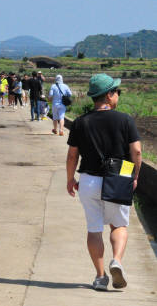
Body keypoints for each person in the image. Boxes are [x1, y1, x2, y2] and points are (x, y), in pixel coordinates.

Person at [65, 74, 142, 291]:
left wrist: (71, 179)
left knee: (94, 229)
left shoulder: (81, 122)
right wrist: (135, 175)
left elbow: (72, 156)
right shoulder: (125, 120)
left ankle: (100, 277)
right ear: (108, 95)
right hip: (120, 175)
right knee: (119, 225)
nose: (118, 95)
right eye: (116, 91)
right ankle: (116, 260)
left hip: (89, 179)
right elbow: (136, 151)